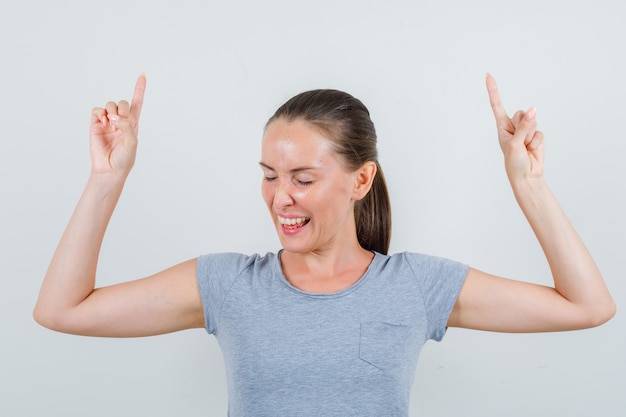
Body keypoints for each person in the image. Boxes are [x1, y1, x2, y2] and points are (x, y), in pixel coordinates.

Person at [34, 73, 615, 416]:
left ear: (361, 179)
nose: (280, 197)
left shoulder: (415, 286)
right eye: (269, 175)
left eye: (303, 179)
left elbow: (587, 306)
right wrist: (106, 179)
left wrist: (529, 184)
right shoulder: (228, 285)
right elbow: (63, 310)